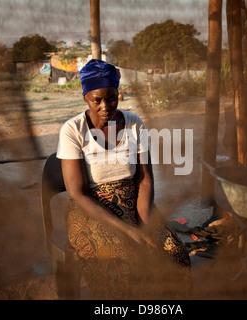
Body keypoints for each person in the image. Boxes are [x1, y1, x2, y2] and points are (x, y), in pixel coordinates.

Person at [56, 59, 191, 299]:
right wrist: (127, 231)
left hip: (134, 201)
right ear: (85, 96)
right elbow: (77, 193)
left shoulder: (134, 123)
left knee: (174, 254)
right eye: (97, 100)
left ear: (119, 94)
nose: (106, 106)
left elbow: (144, 179)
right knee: (121, 265)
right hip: (91, 208)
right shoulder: (73, 130)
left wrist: (144, 223)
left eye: (112, 98)